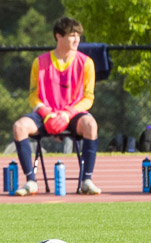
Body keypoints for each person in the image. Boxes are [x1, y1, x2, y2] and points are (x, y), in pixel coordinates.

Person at [10, 17, 103, 196]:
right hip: (46, 115)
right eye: (72, 35)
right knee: (19, 127)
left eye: (78, 36)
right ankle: (31, 181)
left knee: (91, 125)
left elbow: (88, 98)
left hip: (72, 115)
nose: (77, 40)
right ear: (58, 37)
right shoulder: (40, 62)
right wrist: (46, 113)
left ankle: (87, 180)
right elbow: (33, 96)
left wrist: (67, 114)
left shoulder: (87, 63)